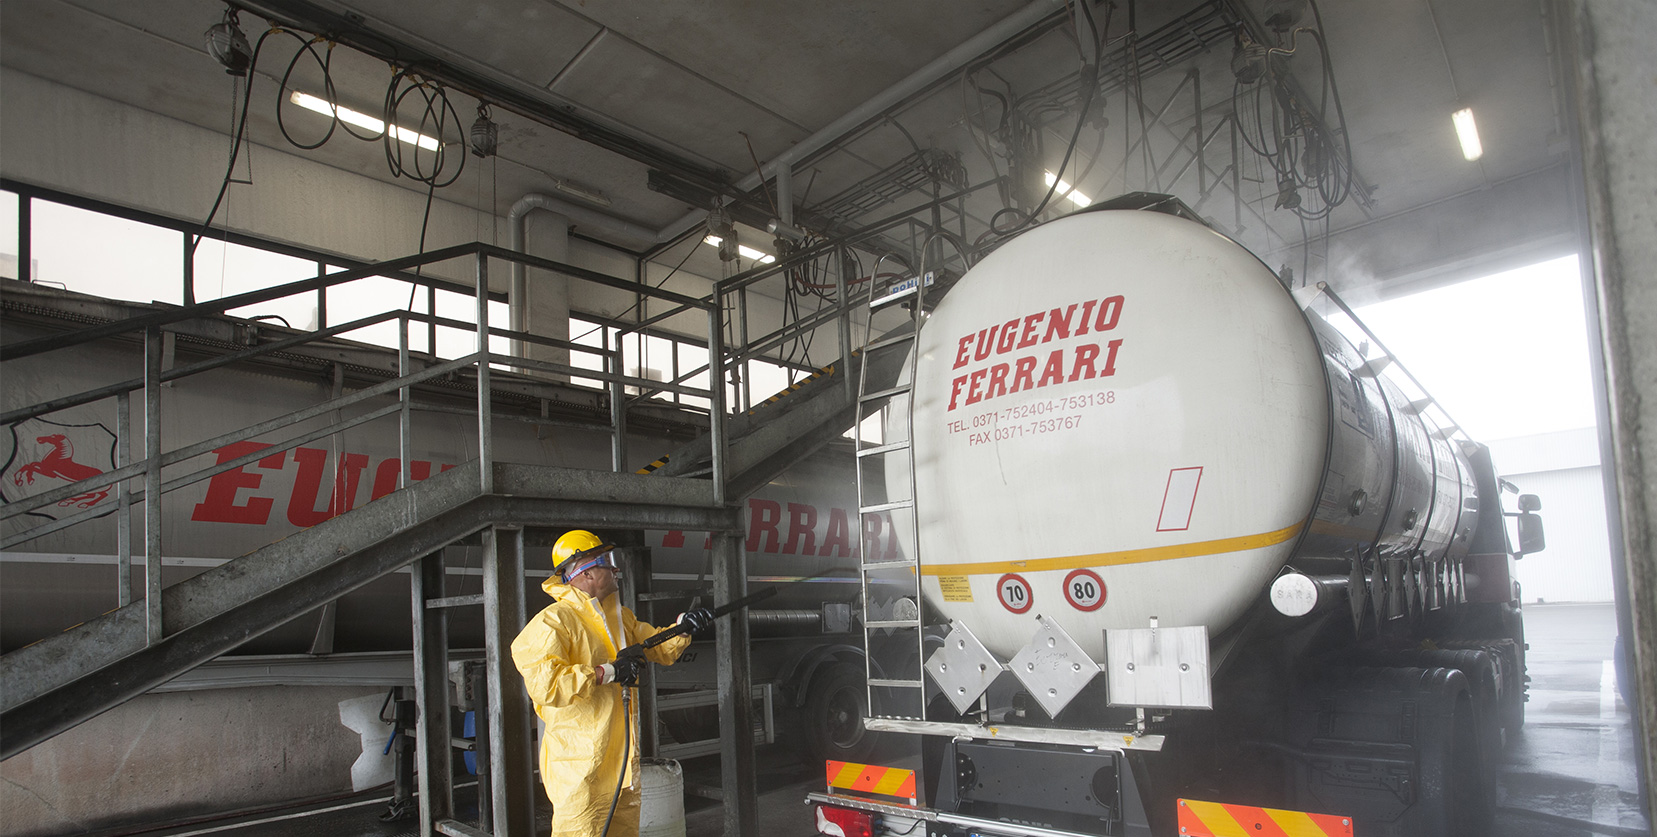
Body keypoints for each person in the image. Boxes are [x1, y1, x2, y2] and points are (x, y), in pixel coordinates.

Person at [511, 530, 713, 837]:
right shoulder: (552, 622)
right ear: (586, 571)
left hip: (621, 769)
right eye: (608, 561)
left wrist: (683, 627)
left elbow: (658, 647)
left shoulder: (620, 618)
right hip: (581, 771)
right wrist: (607, 672)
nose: (616, 569)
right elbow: (547, 685)